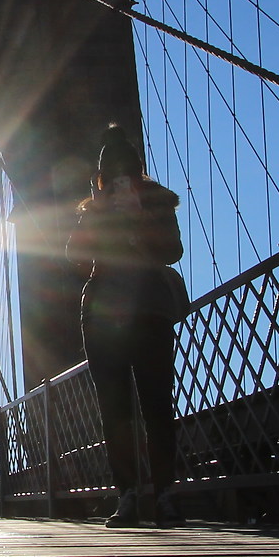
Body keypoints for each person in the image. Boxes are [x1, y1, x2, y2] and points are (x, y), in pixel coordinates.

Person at [68, 125, 190, 528]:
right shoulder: (93, 209)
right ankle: (128, 494)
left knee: (157, 404)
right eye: (113, 175)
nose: (121, 181)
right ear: (102, 178)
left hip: (149, 309)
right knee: (115, 410)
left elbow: (172, 250)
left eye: (128, 174)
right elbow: (75, 255)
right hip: (103, 315)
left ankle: (165, 494)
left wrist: (139, 223)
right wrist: (100, 215)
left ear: (139, 174)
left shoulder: (158, 203)